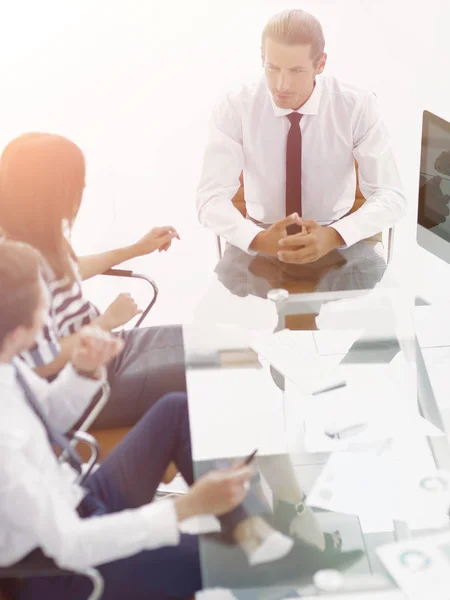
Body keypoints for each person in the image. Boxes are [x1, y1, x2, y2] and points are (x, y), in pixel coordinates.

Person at [0, 242, 363, 600]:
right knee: (218, 561)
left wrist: (81, 371)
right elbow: (70, 544)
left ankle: (259, 540)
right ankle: (272, 568)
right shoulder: (5, 450)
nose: (50, 312)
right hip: (68, 566)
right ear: (19, 331)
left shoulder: (7, 364)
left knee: (176, 409)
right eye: (44, 304)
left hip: (78, 497)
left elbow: (48, 417)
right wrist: (186, 508)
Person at [0, 132, 186, 429]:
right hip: (82, 381)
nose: (83, 188)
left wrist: (137, 248)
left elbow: (68, 272)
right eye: (75, 182)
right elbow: (40, 363)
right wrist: (106, 322)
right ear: (46, 194)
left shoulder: (40, 236)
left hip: (105, 351)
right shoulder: (17, 262)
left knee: (206, 343)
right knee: (205, 373)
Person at [196, 8, 406, 265]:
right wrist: (257, 239)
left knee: (378, 303)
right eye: (272, 68)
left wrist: (334, 235)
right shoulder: (235, 107)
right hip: (261, 236)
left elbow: (391, 195)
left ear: (321, 64)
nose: (282, 85)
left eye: (296, 71)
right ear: (262, 57)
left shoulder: (356, 107)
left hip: (338, 239)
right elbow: (209, 199)